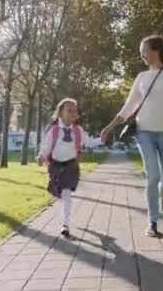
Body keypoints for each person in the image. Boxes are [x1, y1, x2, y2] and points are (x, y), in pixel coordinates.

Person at [101, 35, 163, 237]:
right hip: (144, 131)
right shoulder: (141, 78)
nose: (142, 56)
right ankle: (152, 222)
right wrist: (110, 126)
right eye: (141, 53)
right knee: (153, 175)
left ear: (155, 50)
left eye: (144, 52)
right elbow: (129, 106)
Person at [37, 98, 103, 237]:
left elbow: (89, 142)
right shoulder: (54, 130)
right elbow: (46, 146)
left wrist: (101, 139)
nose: (73, 113)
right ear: (60, 113)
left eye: (75, 111)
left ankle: (64, 224)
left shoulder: (77, 130)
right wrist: (41, 156)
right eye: (69, 110)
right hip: (55, 166)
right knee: (60, 194)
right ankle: (64, 214)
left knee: (66, 194)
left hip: (70, 166)